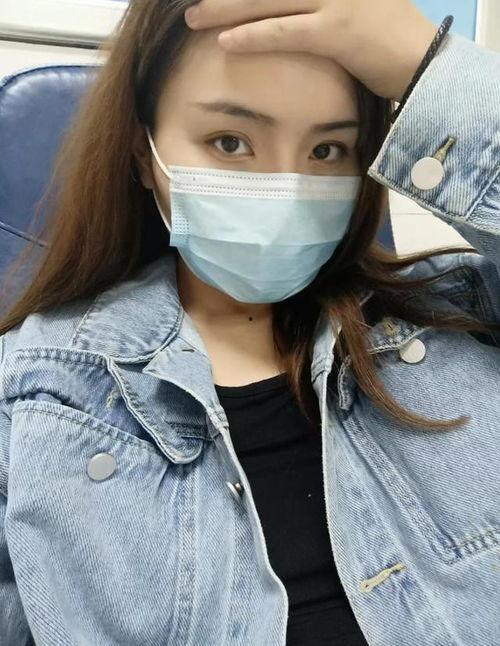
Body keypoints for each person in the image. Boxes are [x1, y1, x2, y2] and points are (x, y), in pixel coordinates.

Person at [0, 0, 499, 644]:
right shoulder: (31, 392)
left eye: (327, 149)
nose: (285, 192)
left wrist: (427, 68)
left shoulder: (464, 311)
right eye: (230, 142)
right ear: (143, 151)